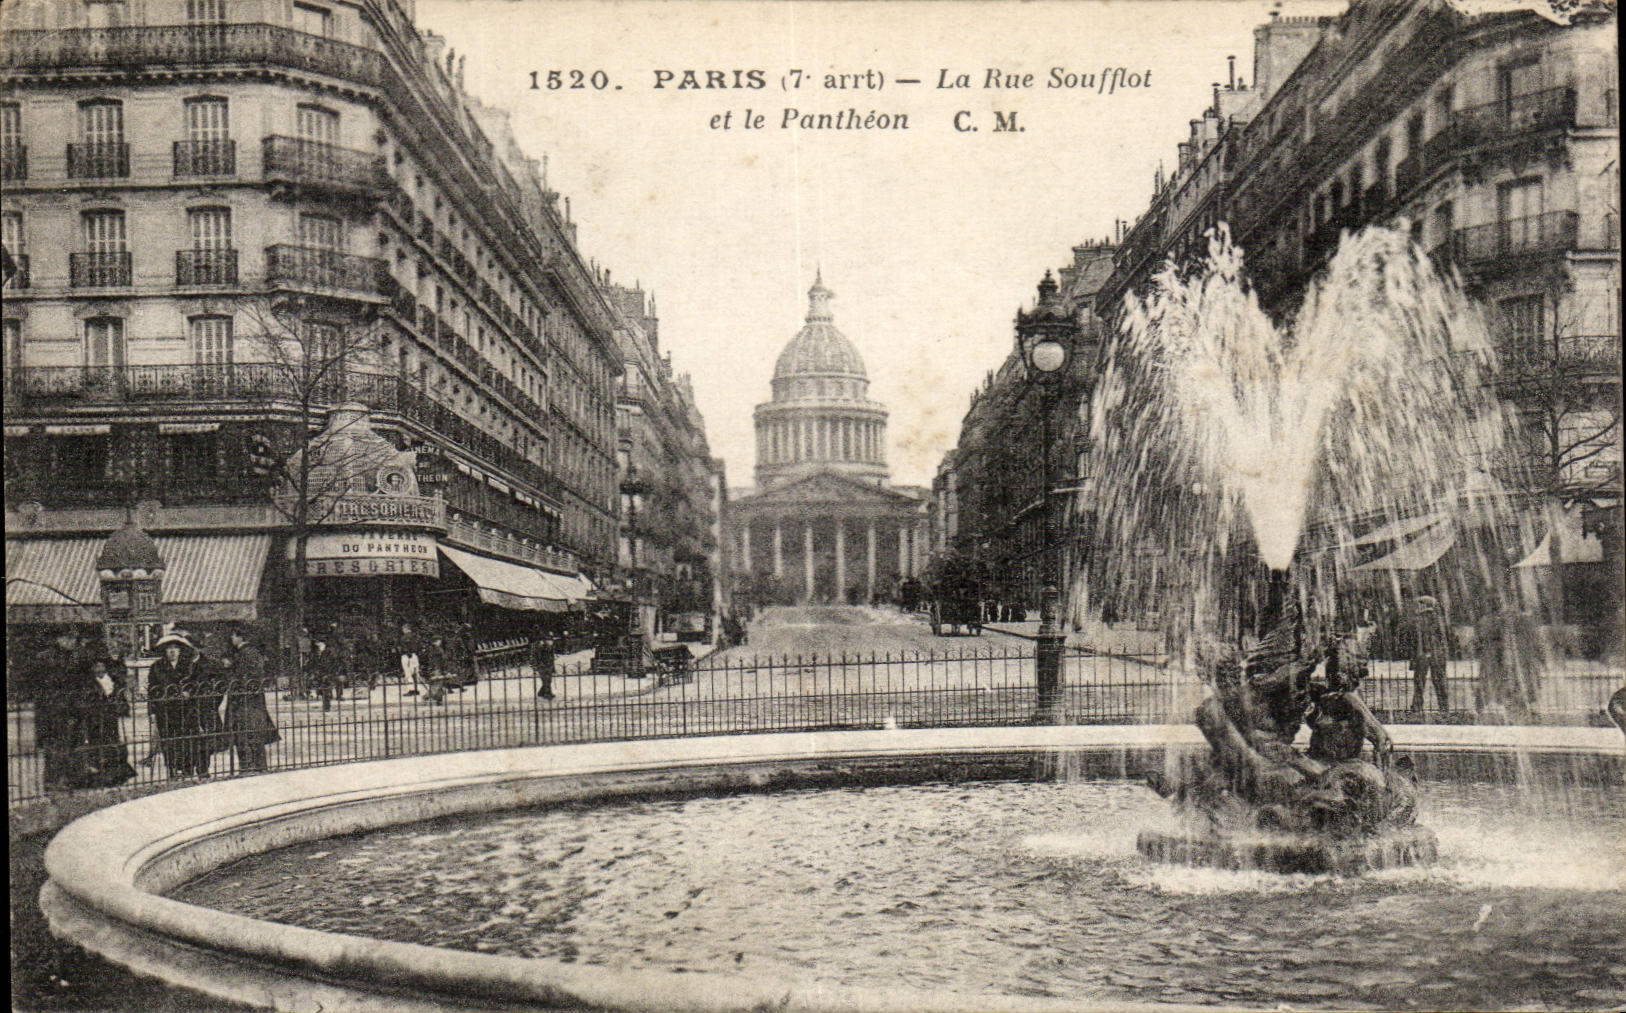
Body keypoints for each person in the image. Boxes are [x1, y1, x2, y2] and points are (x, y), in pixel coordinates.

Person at [148, 631, 213, 778]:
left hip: (186, 710)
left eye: (175, 648)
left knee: (187, 741)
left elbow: (198, 683)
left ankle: (187, 770)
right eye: (169, 648)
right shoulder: (156, 667)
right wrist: (152, 712)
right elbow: (152, 690)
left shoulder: (189, 666)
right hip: (165, 710)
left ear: (180, 650)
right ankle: (172, 770)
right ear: (164, 651)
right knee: (169, 741)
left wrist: (189, 691)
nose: (172, 651)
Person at [220, 627, 279, 772]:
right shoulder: (248, 652)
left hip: (245, 700)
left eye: (233, 636)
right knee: (250, 733)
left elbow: (246, 676)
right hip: (249, 699)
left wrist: (229, 668)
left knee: (246, 733)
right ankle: (255, 766)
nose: (232, 639)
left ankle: (250, 766)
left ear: (240, 637)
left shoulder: (245, 653)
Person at [1408, 595, 1452, 712]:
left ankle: (1418, 706)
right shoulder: (1436, 618)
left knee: (1420, 681)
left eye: (1419, 604)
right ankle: (1443, 706)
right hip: (1434, 654)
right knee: (1437, 681)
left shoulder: (1425, 618)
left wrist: (1428, 651)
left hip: (1427, 654)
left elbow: (1427, 637)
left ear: (1424, 605)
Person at [398, 621, 423, 697]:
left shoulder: (403, 638)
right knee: (415, 673)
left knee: (408, 673)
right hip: (415, 656)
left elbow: (402, 648)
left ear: (405, 629)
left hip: (407, 656)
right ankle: (416, 689)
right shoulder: (416, 637)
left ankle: (411, 689)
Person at [530, 635, 556, 700]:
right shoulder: (539, 647)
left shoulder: (550, 648)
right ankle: (548, 694)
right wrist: (535, 665)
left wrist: (553, 668)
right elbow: (535, 657)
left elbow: (552, 658)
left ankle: (541, 692)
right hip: (542, 666)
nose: (550, 642)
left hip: (549, 665)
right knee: (545, 680)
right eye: (549, 641)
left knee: (548, 680)